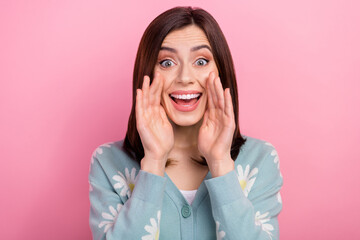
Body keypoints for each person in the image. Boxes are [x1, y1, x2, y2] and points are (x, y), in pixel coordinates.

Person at [89, 6, 283, 240]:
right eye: (167, 63)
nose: (185, 78)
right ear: (146, 73)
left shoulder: (260, 160)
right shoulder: (107, 162)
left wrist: (220, 162)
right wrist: (154, 161)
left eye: (201, 61)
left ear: (221, 71)